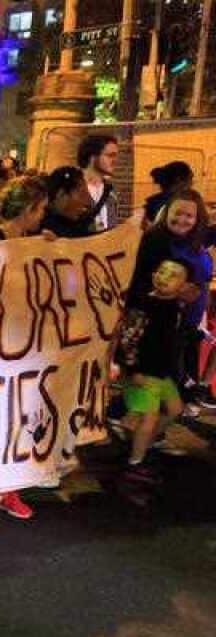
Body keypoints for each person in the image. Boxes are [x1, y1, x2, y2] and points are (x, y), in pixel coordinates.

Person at [124, 189, 212, 412]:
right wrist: (178, 293)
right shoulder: (155, 241)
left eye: (189, 216)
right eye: (177, 213)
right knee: (157, 385)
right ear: (166, 212)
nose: (182, 219)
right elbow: (142, 285)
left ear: (197, 219)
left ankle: (148, 431)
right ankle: (130, 425)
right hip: (156, 326)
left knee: (168, 388)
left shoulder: (193, 240)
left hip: (185, 324)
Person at [115, 257, 193, 488]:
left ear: (183, 285)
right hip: (143, 373)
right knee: (148, 419)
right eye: (162, 272)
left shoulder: (175, 305)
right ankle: (135, 462)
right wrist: (133, 369)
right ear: (153, 276)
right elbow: (128, 340)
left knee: (175, 409)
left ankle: (141, 441)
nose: (165, 278)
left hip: (161, 372)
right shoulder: (143, 306)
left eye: (173, 275)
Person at [0, 176, 51, 252]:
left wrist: (53, 246)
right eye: (42, 208)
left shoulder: (26, 235)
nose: (43, 214)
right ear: (28, 209)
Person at [78, 134, 119, 231]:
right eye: (110, 155)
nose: (115, 161)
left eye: (115, 156)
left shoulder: (111, 191)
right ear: (93, 157)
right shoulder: (70, 188)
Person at [40, 166, 95, 238]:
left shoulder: (74, 222)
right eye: (81, 195)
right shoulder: (38, 228)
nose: (87, 203)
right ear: (61, 194)